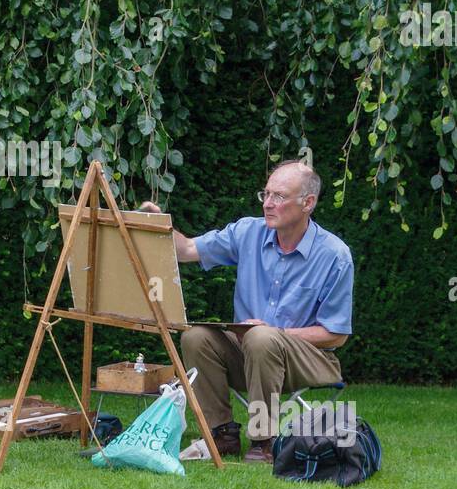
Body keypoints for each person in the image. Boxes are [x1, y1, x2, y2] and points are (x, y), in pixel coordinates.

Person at [138, 160, 354, 462]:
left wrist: (273, 333)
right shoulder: (248, 233)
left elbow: (335, 334)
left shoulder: (334, 255)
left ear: (308, 203)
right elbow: (187, 250)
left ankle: (263, 440)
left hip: (308, 360)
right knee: (196, 337)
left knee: (261, 338)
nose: (268, 204)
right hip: (250, 354)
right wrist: (158, 224)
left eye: (278, 196)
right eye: (265, 194)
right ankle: (221, 433)